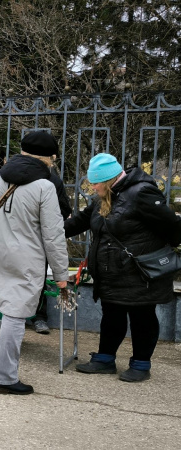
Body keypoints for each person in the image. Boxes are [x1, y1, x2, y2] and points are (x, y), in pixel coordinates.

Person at [64, 153, 181, 382]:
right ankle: (105, 359)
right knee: (112, 315)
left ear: (107, 180)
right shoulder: (103, 197)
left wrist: (155, 250)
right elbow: (80, 221)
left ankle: (141, 364)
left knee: (142, 317)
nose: (92, 187)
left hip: (138, 272)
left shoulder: (141, 193)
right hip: (111, 272)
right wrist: (51, 232)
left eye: (95, 182)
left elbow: (172, 226)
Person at [0, 132, 69, 395]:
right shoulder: (45, 187)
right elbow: (53, 234)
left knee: (6, 307)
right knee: (15, 314)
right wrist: (61, 273)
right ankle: (4, 378)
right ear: (50, 158)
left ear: (22, 151)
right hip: (26, 258)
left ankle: (3, 370)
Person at [21, 133, 74, 334]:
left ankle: (38, 316)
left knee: (38, 280)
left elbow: (63, 209)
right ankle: (15, 317)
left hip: (38, 240)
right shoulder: (7, 176)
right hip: (16, 239)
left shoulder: (53, 181)